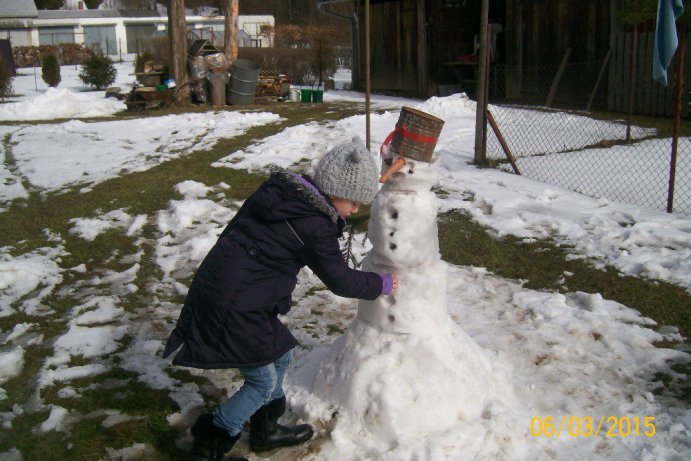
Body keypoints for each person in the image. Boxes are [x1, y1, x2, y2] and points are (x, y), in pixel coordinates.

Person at [162, 136, 399, 461]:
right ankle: (210, 441)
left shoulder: (285, 194)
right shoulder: (314, 225)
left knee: (280, 356)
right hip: (236, 306)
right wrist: (382, 283)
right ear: (334, 191)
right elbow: (340, 280)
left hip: (228, 289)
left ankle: (265, 431)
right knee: (261, 382)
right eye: (354, 202)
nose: (356, 210)